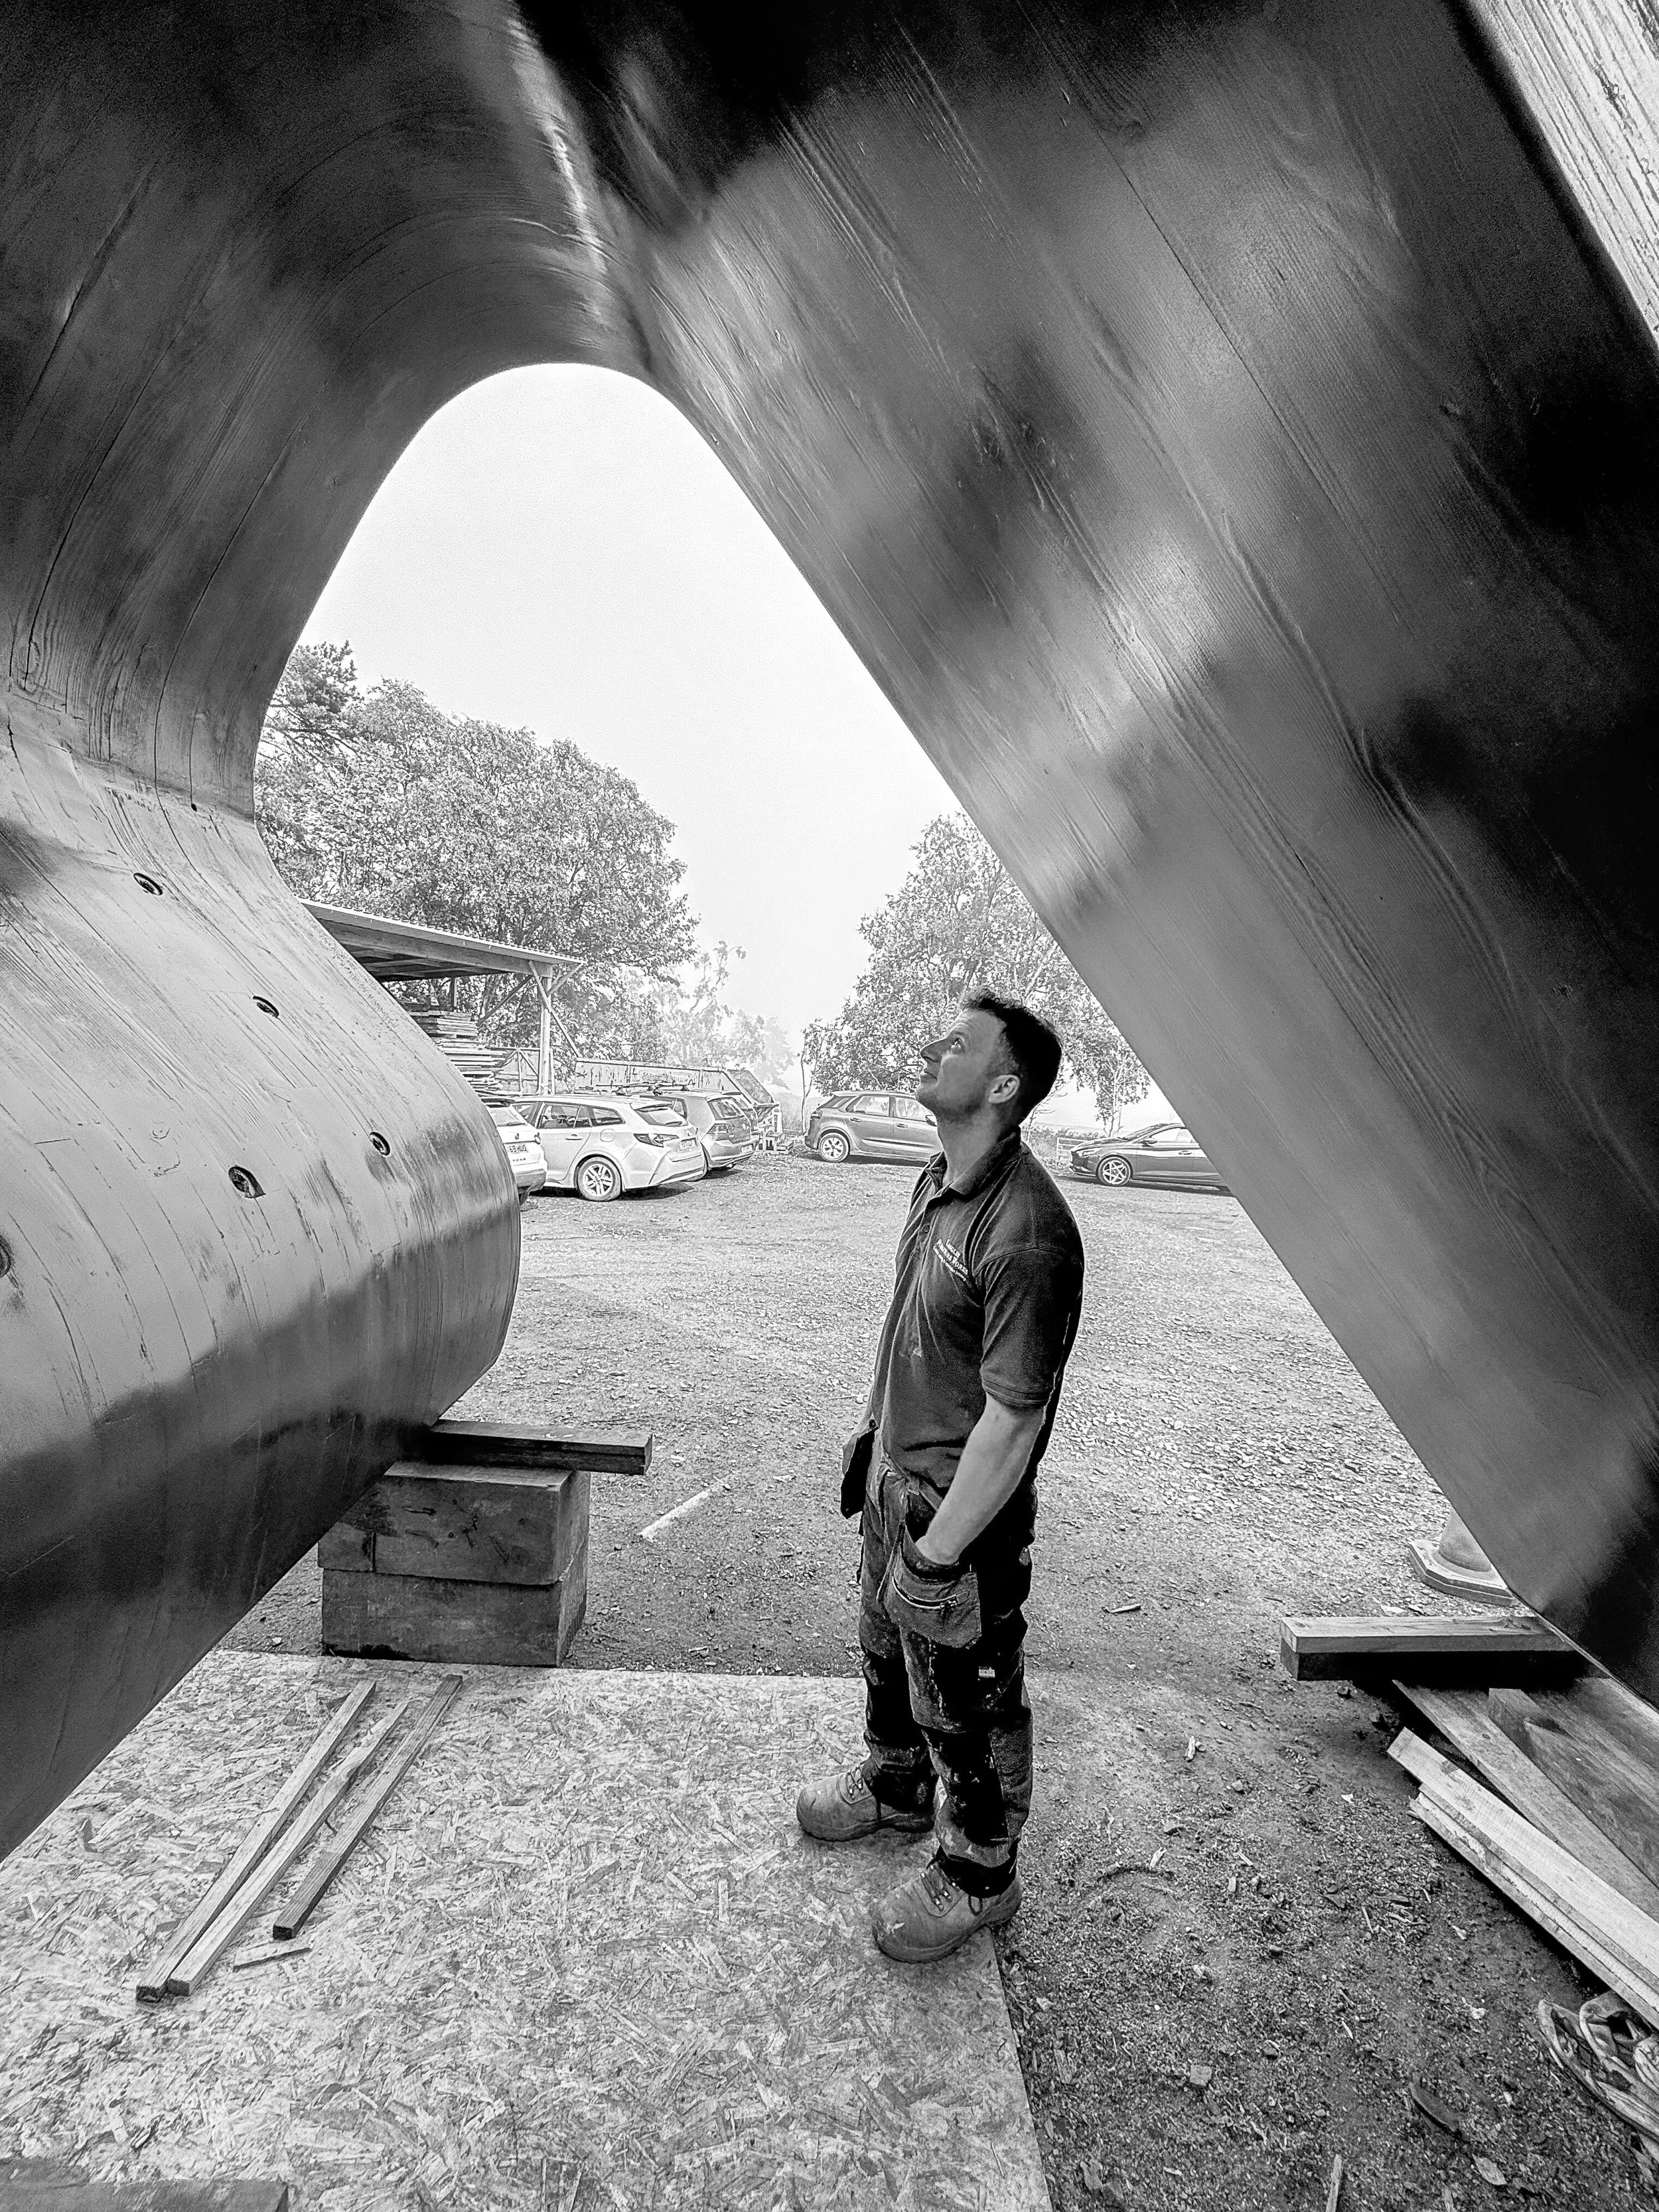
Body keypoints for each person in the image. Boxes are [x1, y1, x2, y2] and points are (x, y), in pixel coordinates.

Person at [796, 989, 1086, 1962]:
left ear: (1003, 1087)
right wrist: (873, 1434)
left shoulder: (1027, 1231)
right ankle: (896, 1784)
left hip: (960, 1520)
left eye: (956, 1043)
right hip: (899, 1485)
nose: (931, 1047)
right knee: (887, 1651)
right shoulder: (938, 1181)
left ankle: (979, 1875)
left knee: (968, 1698)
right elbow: (909, 1328)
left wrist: (939, 1551)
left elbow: (1015, 1419)